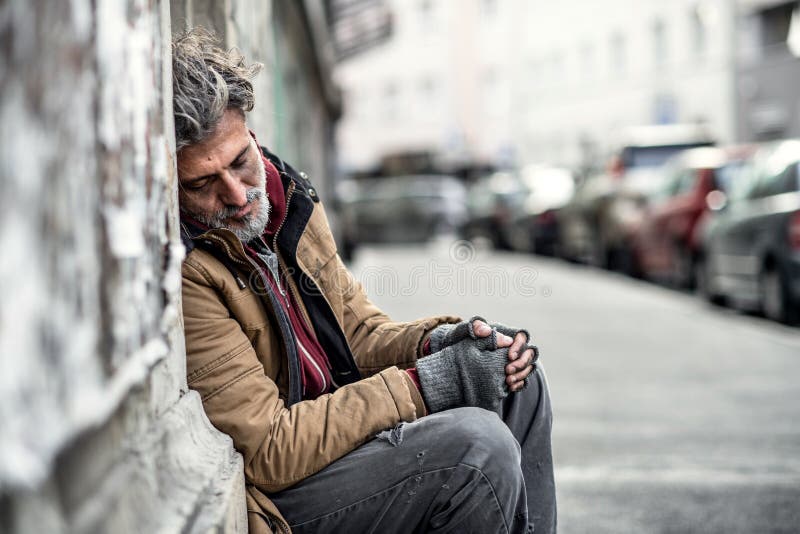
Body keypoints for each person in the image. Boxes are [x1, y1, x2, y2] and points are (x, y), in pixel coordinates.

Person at [173, 28, 556, 534]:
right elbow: (269, 450)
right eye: (202, 183)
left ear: (253, 135)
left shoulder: (288, 204)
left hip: (336, 438)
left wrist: (440, 342)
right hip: (283, 494)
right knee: (476, 448)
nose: (239, 195)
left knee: (514, 380)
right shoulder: (190, 272)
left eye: (241, 162)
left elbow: (358, 335)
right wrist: (427, 383)